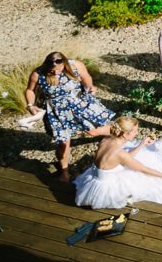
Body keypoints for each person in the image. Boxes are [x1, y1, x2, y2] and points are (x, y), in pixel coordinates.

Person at [24, 52, 115, 181]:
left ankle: (121, 133)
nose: (55, 73)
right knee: (64, 143)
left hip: (79, 103)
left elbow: (86, 77)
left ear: (65, 63)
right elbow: (29, 90)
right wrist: (30, 105)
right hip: (57, 111)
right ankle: (64, 173)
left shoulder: (75, 65)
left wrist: (89, 86)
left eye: (58, 69)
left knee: (92, 131)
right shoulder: (38, 73)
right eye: (52, 70)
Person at [74, 116, 162, 209]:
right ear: (125, 134)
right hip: (106, 189)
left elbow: (124, 159)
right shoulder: (119, 153)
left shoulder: (106, 139)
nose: (137, 133)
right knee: (146, 179)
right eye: (135, 131)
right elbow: (143, 169)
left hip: (94, 179)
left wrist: (142, 144)